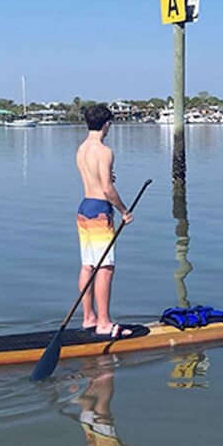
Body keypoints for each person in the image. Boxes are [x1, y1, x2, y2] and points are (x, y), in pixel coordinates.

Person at [76, 104, 133, 338]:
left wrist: (107, 178)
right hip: (100, 210)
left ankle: (88, 317)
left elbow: (96, 178)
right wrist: (124, 211)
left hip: (84, 207)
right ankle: (104, 323)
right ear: (107, 124)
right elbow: (108, 190)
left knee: (88, 265)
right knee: (105, 268)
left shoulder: (81, 149)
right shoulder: (104, 151)